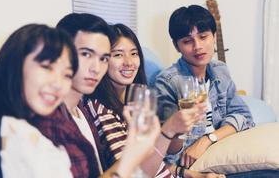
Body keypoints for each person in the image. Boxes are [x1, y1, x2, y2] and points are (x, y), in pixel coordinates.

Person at [87, 23, 225, 178]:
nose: (129, 62)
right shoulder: (102, 110)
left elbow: (154, 158)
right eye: (118, 55)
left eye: (134, 53)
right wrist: (169, 130)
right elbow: (134, 172)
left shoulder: (134, 102)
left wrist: (191, 173)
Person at [154, 5, 254, 176]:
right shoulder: (167, 82)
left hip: (219, 147)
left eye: (203, 37)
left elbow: (245, 116)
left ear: (214, 37)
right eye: (187, 41)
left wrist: (208, 139)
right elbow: (167, 150)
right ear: (176, 46)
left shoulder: (220, 69)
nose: (198, 46)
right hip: (189, 164)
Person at [0, 24, 79, 178]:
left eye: (67, 75)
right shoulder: (14, 131)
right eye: (47, 67)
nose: (58, 84)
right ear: (15, 64)